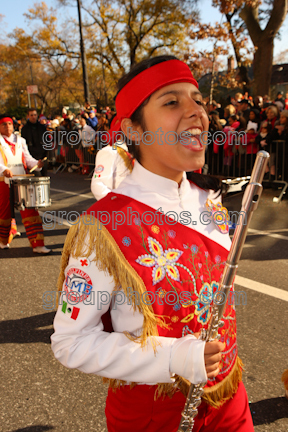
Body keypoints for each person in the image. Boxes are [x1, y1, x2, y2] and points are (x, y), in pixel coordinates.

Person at [51, 55, 254, 432]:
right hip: (155, 413)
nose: (196, 112)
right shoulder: (104, 227)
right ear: (134, 128)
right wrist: (175, 356)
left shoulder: (208, 198)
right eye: (172, 102)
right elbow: (70, 343)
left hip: (231, 400)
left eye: (197, 99)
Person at [0, 115, 50, 253]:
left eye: (9, 124)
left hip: (21, 180)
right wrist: (4, 170)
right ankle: (3, 240)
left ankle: (38, 244)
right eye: (4, 124)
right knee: (4, 213)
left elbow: (27, 158)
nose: (8, 127)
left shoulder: (20, 140)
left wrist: (36, 164)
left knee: (30, 210)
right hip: (4, 181)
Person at [21, 108, 48, 176]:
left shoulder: (42, 127)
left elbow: (47, 140)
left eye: (35, 115)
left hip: (43, 156)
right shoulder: (25, 129)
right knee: (36, 177)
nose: (33, 117)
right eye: (31, 115)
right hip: (32, 156)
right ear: (28, 116)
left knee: (44, 178)